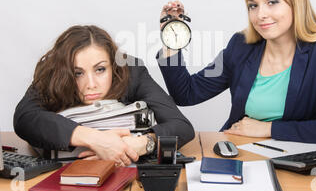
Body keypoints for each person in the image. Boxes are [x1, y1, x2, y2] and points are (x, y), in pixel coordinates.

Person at [156, 0, 316, 143]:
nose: (260, 14)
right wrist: (172, 39)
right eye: (253, 6)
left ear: (296, 3)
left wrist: (269, 129)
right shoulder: (241, 46)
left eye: (272, 2)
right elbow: (186, 93)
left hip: (297, 157)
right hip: (240, 149)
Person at [14, 25, 195, 166]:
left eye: (100, 69)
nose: (91, 84)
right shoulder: (54, 74)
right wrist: (96, 139)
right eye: (78, 73)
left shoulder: (130, 71)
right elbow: (24, 117)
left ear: (113, 66)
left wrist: (140, 144)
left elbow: (182, 126)